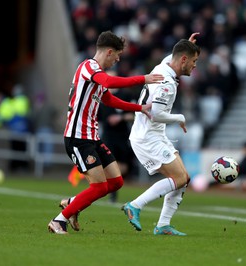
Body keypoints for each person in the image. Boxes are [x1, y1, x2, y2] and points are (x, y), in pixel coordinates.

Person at [47, 30, 164, 234]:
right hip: (77, 138)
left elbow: (109, 99)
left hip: (92, 137)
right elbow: (109, 83)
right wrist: (143, 78)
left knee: (116, 182)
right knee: (99, 187)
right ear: (109, 52)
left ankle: (72, 203)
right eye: (117, 55)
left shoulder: (97, 75)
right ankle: (59, 220)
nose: (118, 60)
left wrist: (140, 108)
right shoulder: (89, 67)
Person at [121, 33, 201, 236]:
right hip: (148, 137)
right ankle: (135, 206)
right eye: (193, 61)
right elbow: (156, 114)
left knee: (184, 178)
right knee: (180, 177)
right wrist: (180, 117)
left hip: (152, 135)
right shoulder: (167, 82)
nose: (194, 65)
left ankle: (163, 225)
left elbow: (173, 56)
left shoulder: (163, 66)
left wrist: (187, 46)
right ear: (183, 59)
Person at [98, 80, 138, 203]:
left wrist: (120, 118)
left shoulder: (126, 95)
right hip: (108, 137)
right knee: (111, 164)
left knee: (124, 166)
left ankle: (114, 185)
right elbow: (96, 116)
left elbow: (135, 114)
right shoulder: (100, 96)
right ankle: (112, 193)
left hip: (123, 136)